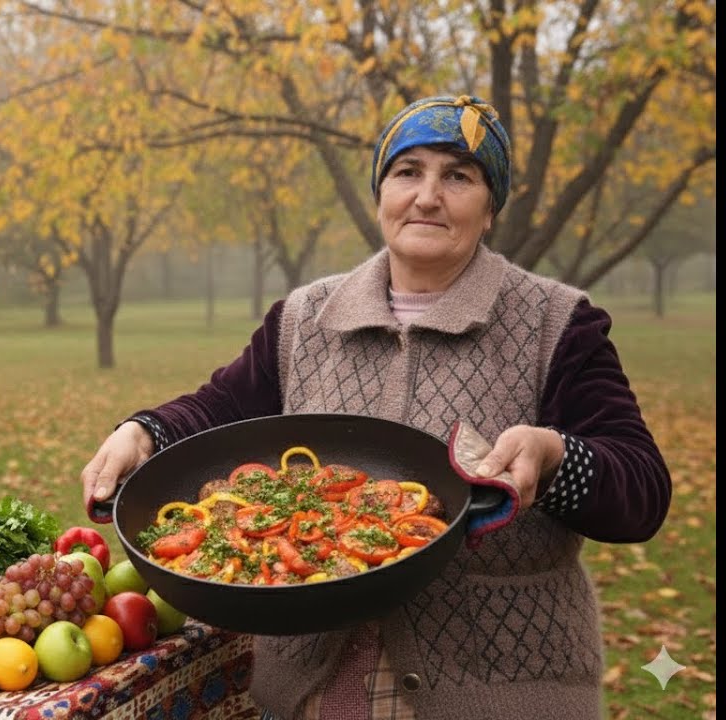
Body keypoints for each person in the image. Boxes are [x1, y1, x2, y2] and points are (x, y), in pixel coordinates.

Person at [79, 95, 671, 720]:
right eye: (407, 171)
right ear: (381, 190)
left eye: (459, 176)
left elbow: (642, 490)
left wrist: (553, 456)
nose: (427, 196)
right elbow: (220, 407)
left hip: (498, 693)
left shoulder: (556, 324)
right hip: (316, 694)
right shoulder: (304, 318)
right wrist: (144, 432)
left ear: (490, 206)